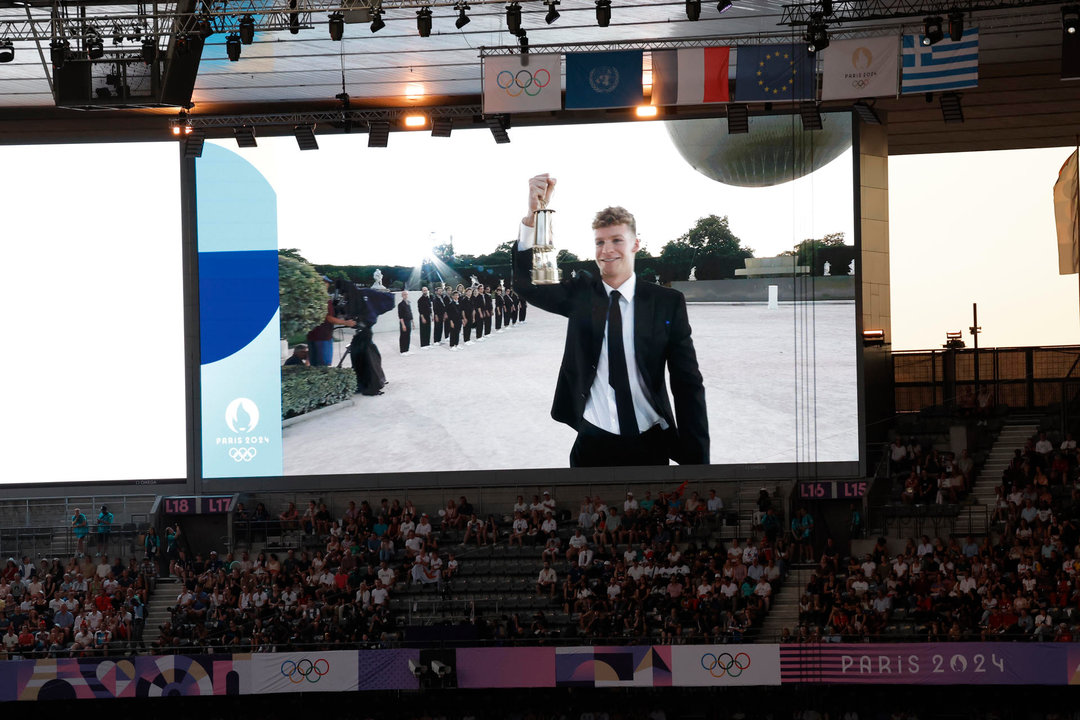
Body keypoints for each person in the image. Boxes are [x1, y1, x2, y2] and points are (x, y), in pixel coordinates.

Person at [513, 173, 709, 467]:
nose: (607, 250)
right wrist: (533, 216)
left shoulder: (666, 303)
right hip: (593, 441)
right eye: (599, 242)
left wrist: (698, 466)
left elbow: (687, 384)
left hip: (651, 443)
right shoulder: (581, 295)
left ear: (635, 245)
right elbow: (527, 285)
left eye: (617, 240)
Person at [306, 277, 357, 366]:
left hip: (312, 336)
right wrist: (346, 322)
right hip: (323, 337)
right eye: (326, 284)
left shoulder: (310, 297)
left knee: (314, 366)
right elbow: (328, 318)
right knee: (324, 366)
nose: (327, 286)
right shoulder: (324, 299)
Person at [398, 289, 413, 354]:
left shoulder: (408, 303)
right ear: (402, 295)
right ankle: (402, 351)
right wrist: (403, 325)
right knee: (403, 336)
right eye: (404, 294)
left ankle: (407, 349)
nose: (405, 295)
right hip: (404, 322)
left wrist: (413, 323)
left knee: (408, 336)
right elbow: (400, 316)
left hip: (409, 321)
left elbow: (410, 313)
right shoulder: (400, 304)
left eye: (406, 294)